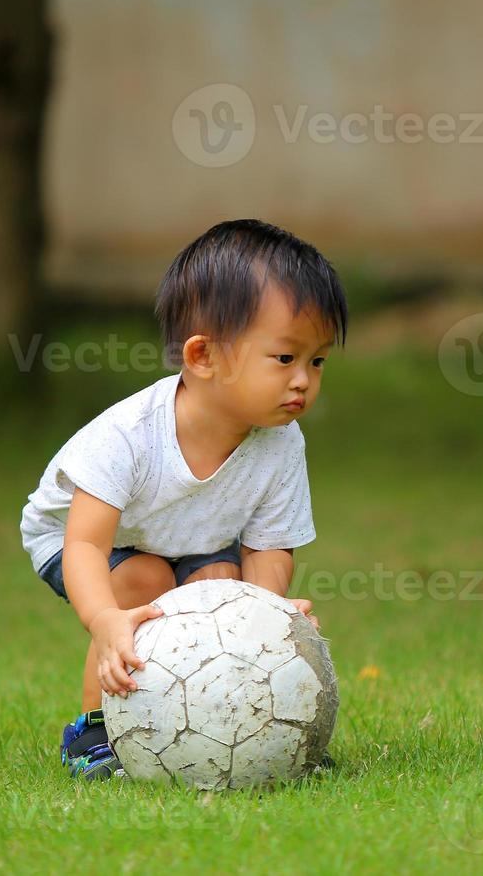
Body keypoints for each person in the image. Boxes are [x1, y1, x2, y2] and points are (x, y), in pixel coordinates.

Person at [20, 219, 347, 779]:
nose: (304, 381)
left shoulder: (282, 442)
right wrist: (103, 620)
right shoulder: (127, 436)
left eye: (316, 361)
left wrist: (263, 618)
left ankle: (243, 731)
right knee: (143, 585)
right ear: (202, 357)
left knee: (218, 583)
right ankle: (97, 733)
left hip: (193, 533)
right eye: (284, 359)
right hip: (79, 540)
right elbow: (85, 546)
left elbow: (269, 549)